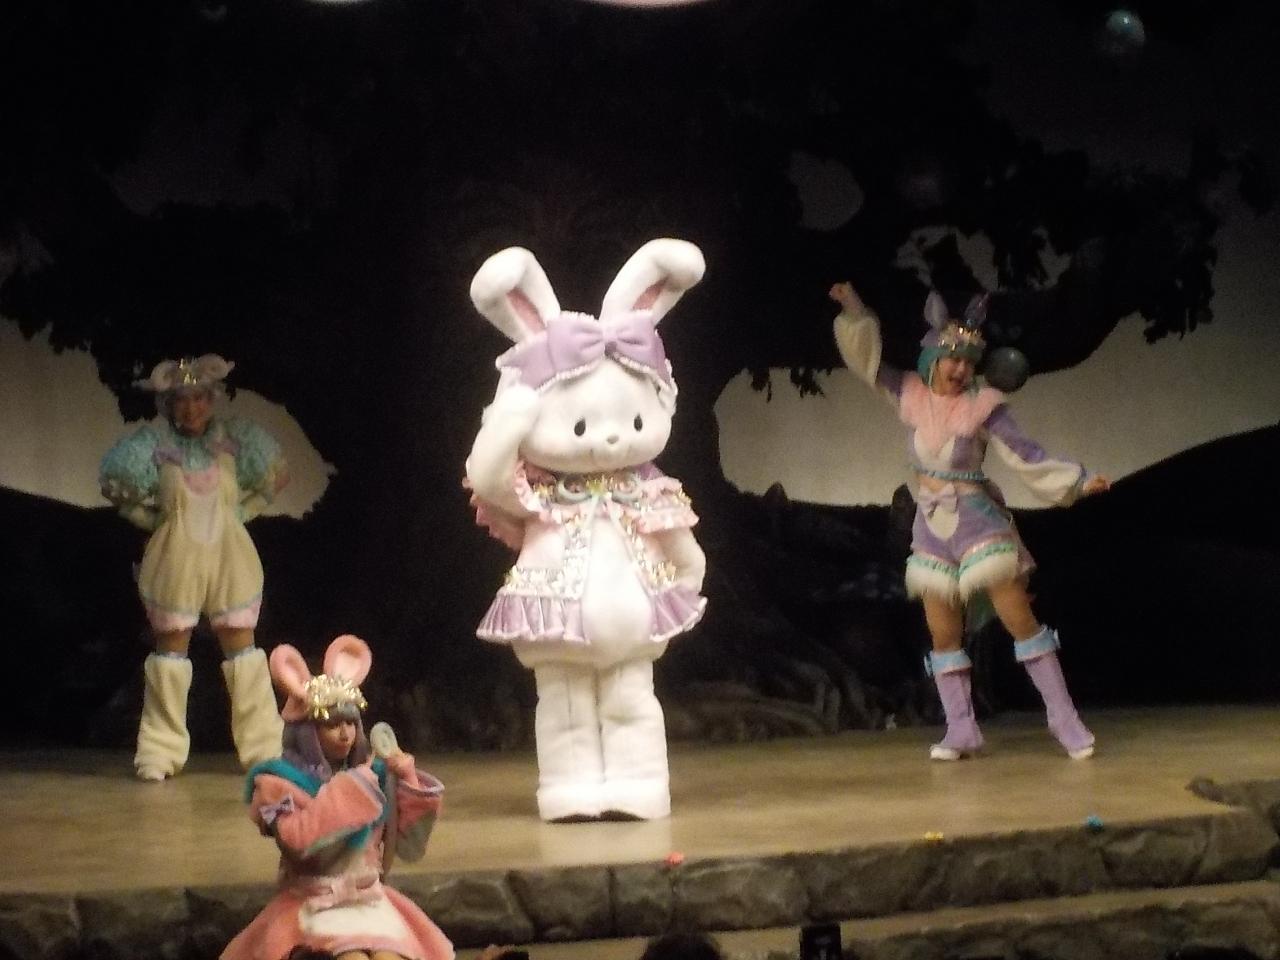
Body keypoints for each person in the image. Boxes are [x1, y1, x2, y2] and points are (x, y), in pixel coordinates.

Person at [830, 282, 1108, 760]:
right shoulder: (910, 394)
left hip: (977, 523)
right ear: (933, 358)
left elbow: (1025, 454)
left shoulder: (983, 406)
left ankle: (1065, 719)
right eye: (952, 359)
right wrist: (854, 309)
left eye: (968, 361)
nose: (960, 369)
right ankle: (961, 728)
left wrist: (1078, 482)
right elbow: (868, 365)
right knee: (943, 633)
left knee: (1019, 619)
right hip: (931, 527)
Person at [99, 354, 289, 780]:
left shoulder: (232, 442)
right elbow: (117, 487)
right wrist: (154, 521)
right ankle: (160, 750)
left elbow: (275, 477)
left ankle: (263, 748)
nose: (191, 408)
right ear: (169, 405)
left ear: (211, 399)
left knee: (243, 650)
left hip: (228, 558)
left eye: (199, 398)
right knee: (170, 652)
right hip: (178, 559)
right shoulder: (156, 447)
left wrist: (242, 512)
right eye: (182, 400)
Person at [223, 634, 454, 960]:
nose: (345, 734)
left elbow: (410, 847)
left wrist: (407, 781)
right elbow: (296, 841)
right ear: (309, 732)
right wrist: (353, 789)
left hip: (369, 902)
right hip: (314, 905)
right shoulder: (276, 785)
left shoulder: (375, 776)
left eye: (350, 723)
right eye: (332, 725)